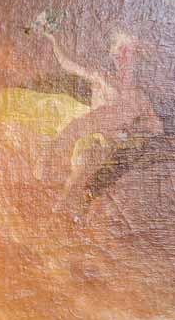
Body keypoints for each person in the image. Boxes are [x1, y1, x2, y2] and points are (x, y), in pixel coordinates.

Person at [37, 28, 163, 201]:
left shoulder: (139, 97)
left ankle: (65, 201)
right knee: (79, 140)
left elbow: (156, 128)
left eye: (130, 52)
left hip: (110, 142)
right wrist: (54, 41)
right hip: (90, 129)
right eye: (121, 50)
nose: (125, 57)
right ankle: (48, 165)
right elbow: (69, 65)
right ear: (113, 54)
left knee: (89, 159)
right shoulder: (103, 77)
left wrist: (132, 131)